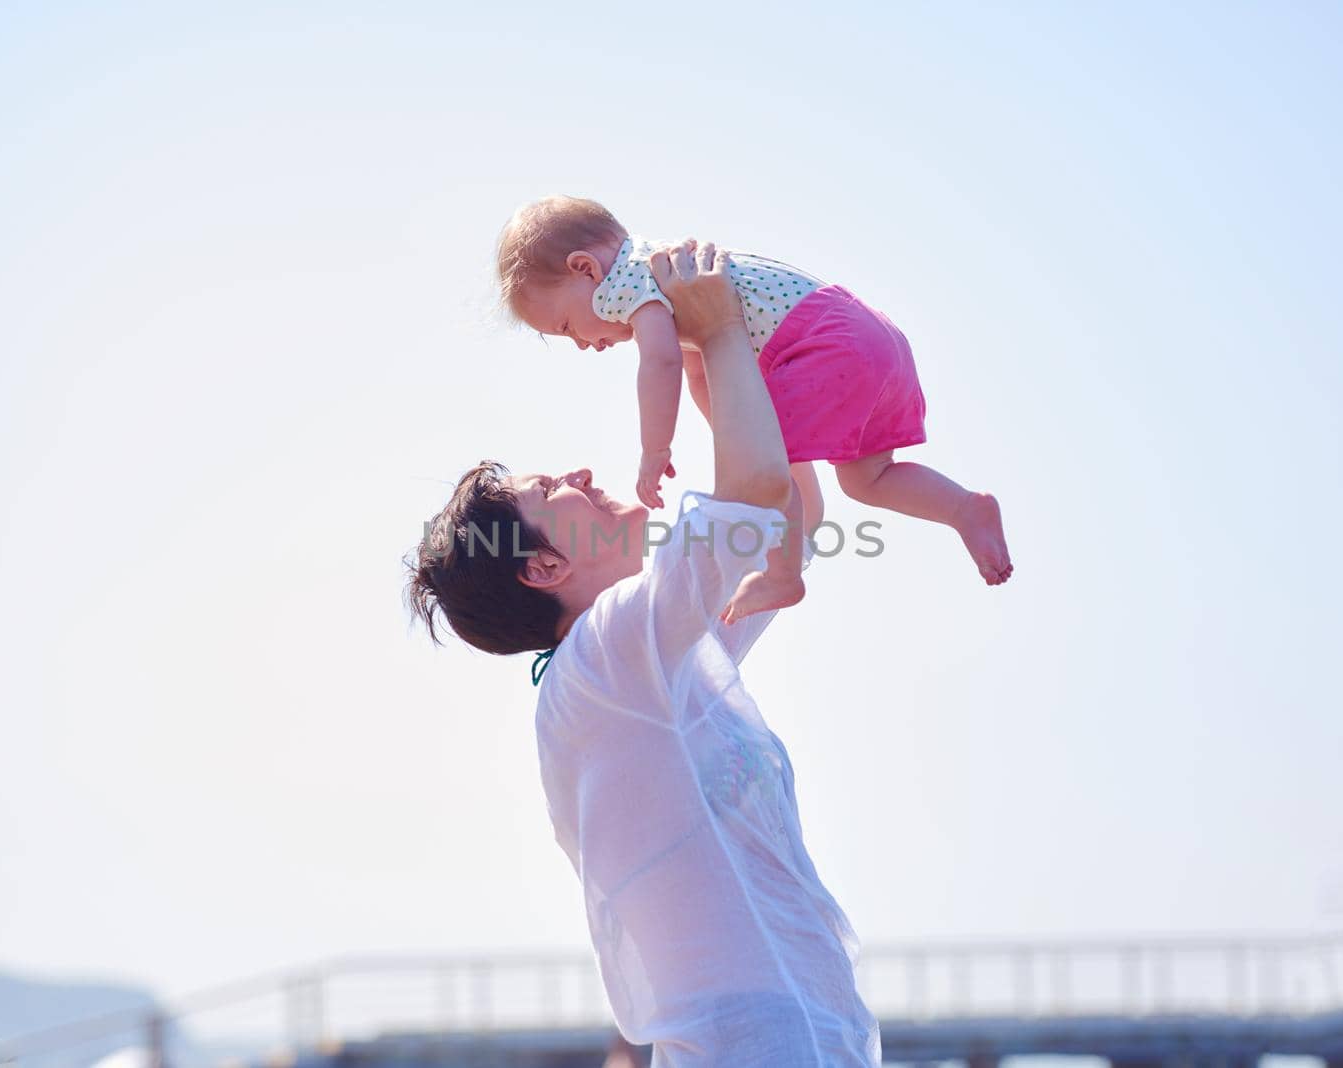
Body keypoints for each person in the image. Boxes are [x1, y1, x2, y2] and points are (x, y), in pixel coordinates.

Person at [406, 241, 882, 1065]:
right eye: (552, 489)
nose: (581, 472)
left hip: (801, 1031)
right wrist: (723, 331)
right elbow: (757, 498)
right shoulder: (604, 657)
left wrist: (707, 366)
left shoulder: (641, 659)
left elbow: (787, 512)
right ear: (545, 569)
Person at [495, 195, 1013, 624]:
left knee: (762, 469)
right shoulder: (672, 271)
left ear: (584, 269)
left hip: (821, 347)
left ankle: (781, 576)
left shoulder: (629, 282)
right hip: (870, 338)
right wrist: (725, 423)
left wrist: (655, 450)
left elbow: (661, 363)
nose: (583, 344)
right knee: (866, 478)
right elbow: (704, 375)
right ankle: (964, 507)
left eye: (566, 328)